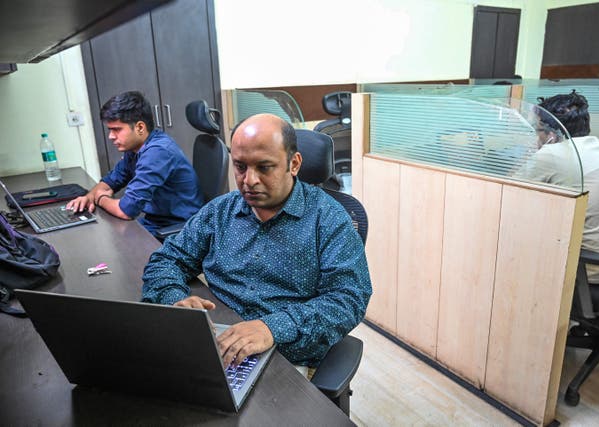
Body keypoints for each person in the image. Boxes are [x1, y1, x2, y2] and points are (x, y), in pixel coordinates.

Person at [141, 113, 372, 373]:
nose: (249, 180)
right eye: (240, 166)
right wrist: (175, 298)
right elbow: (168, 259)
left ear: (294, 164)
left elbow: (348, 298)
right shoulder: (220, 211)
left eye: (264, 167)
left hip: (286, 353)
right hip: (218, 340)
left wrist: (272, 327)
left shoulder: (328, 219)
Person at [517, 90, 599, 283]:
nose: (536, 136)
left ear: (552, 133)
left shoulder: (551, 154)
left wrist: (534, 154)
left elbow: (508, 193)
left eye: (537, 130)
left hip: (591, 269)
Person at [67, 91, 203, 234]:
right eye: (110, 130)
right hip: (156, 221)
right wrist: (88, 197)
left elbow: (126, 210)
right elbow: (112, 180)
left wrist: (100, 198)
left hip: (178, 229)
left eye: (117, 130)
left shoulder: (158, 152)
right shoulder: (135, 149)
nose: (111, 136)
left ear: (139, 128)